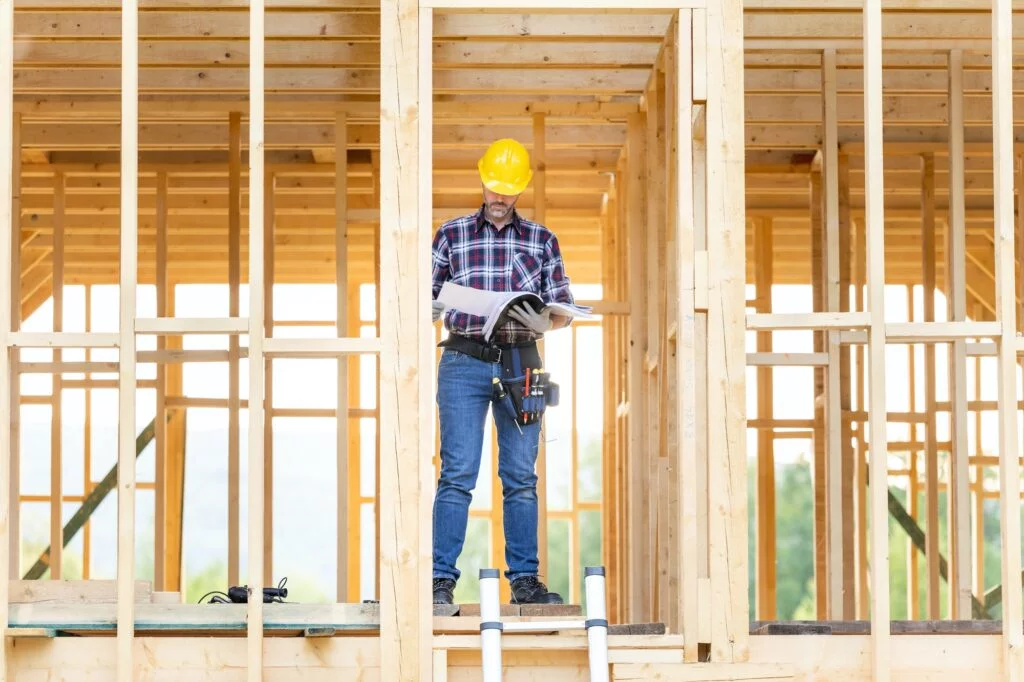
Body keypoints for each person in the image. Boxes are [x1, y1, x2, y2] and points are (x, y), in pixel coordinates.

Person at [429, 138, 574, 605]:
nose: (498, 198)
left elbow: (564, 307)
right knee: (456, 475)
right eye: (493, 187)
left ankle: (525, 582)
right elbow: (423, 297)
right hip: (462, 361)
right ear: (482, 178)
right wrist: (438, 302)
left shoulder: (541, 239)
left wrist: (547, 321)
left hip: (521, 362)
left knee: (520, 476)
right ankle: (438, 581)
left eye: (508, 191)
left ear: (521, 190)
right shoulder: (450, 235)